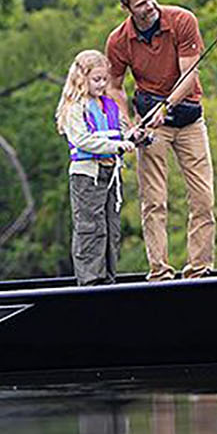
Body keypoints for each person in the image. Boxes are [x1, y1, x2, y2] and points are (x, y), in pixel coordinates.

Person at [105, 0, 215, 280]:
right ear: (128, 9)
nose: (150, 6)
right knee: (153, 200)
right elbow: (114, 86)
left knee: (203, 198)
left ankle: (199, 268)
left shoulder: (181, 20)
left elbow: (190, 74)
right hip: (150, 127)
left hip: (189, 119)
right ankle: (160, 270)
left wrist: (165, 106)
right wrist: (128, 124)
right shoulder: (118, 40)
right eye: (141, 3)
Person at [56, 48, 136, 286]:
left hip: (111, 175)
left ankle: (109, 278)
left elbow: (123, 131)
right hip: (87, 176)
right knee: (90, 229)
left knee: (111, 228)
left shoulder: (109, 106)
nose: (102, 84)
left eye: (105, 79)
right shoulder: (75, 108)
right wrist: (117, 146)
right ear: (82, 79)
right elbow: (83, 140)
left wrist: (134, 136)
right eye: (97, 80)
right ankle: (90, 281)